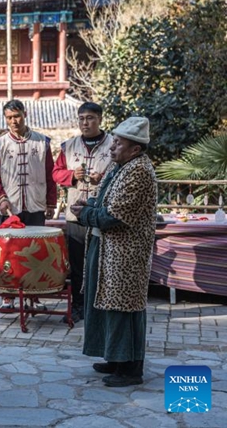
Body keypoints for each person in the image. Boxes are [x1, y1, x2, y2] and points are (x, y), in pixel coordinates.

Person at [70, 117, 156, 388]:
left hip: (125, 254)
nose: (112, 147)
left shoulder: (139, 171)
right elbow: (103, 201)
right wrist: (89, 203)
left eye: (118, 143)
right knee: (105, 303)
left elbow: (114, 216)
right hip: (108, 249)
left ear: (135, 149)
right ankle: (115, 357)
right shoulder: (121, 167)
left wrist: (85, 214)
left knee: (122, 307)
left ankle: (130, 368)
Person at [0, 99, 57, 309]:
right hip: (10, 209)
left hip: (36, 205)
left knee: (35, 253)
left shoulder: (42, 142)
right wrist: (1, 198)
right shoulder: (0, 145)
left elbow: (50, 175)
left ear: (25, 114)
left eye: (17, 116)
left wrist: (51, 203)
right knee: (8, 253)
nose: (13, 121)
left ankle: (34, 297)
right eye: (9, 118)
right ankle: (7, 296)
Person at [53, 102, 113, 323]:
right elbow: (56, 173)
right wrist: (71, 175)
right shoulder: (68, 146)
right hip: (76, 214)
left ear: (99, 119)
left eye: (90, 118)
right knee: (77, 262)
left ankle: (101, 306)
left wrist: (103, 178)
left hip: (101, 213)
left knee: (101, 261)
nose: (85, 123)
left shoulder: (114, 145)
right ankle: (78, 306)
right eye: (81, 118)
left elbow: (119, 172)